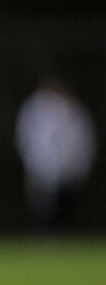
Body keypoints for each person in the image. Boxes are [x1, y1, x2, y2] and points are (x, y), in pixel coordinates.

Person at [15, 74, 97, 233]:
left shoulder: (75, 110)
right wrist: (35, 162)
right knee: (42, 208)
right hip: (42, 169)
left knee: (67, 208)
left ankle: (64, 234)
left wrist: (80, 165)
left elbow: (85, 140)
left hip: (71, 170)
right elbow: (26, 138)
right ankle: (41, 234)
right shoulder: (34, 110)